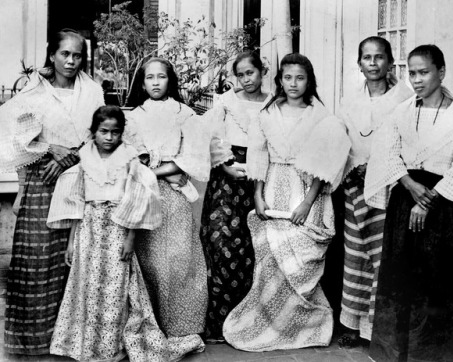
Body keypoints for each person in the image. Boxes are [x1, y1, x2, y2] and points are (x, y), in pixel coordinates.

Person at [365, 44, 453, 361]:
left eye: (424, 72)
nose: (417, 80)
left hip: (443, 207)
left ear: (441, 72)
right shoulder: (402, 113)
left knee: (441, 280)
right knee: (405, 277)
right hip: (405, 202)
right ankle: (405, 352)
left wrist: (427, 201)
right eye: (411, 73)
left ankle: (440, 354)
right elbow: (386, 153)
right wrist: (409, 185)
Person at [223, 53, 351, 352]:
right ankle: (270, 323)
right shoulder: (267, 113)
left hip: (307, 192)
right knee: (271, 257)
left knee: (301, 260)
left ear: (310, 82)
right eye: (288, 78)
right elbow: (258, 154)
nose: (294, 84)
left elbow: (323, 162)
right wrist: (257, 194)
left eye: (300, 78)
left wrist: (307, 202)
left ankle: (306, 326)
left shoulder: (321, 116)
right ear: (279, 80)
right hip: (273, 186)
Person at [0, 28, 104, 355]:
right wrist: (50, 149)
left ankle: (68, 341)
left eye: (77, 55)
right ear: (52, 55)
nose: (71, 61)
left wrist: (69, 157)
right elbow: (16, 138)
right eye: (65, 54)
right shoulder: (34, 93)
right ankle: (32, 341)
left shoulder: (93, 92)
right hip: (40, 183)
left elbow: (99, 138)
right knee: (35, 257)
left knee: (71, 260)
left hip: (78, 182)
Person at [46, 105, 171, 361]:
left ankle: (111, 346)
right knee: (87, 287)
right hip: (88, 229)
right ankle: (85, 344)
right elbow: (77, 202)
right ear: (93, 132)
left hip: (117, 227)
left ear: (121, 133)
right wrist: (72, 241)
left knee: (115, 287)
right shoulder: (84, 160)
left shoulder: (130, 161)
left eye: (115, 132)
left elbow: (136, 201)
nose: (109, 137)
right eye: (104, 131)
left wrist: (130, 237)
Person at [127, 57, 210, 360]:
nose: (156, 82)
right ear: (143, 82)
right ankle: (150, 325)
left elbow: (194, 158)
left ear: (170, 80)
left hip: (174, 196)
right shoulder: (134, 116)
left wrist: (161, 170)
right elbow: (130, 157)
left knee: (178, 258)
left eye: (161, 77)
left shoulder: (185, 114)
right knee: (148, 260)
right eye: (150, 77)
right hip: (142, 194)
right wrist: (157, 169)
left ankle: (181, 326)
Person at [336, 36, 413, 347]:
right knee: (356, 256)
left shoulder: (404, 98)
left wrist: (379, 168)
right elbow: (343, 142)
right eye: (366, 57)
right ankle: (353, 325)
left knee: (383, 256)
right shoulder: (349, 101)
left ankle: (377, 328)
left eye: (379, 57)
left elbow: (409, 143)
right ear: (359, 64)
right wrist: (353, 168)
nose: (372, 63)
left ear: (390, 62)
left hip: (389, 187)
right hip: (355, 187)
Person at [199, 51, 273, 343]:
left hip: (261, 176)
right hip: (228, 178)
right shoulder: (226, 102)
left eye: (251, 73)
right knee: (223, 242)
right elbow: (208, 135)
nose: (246, 79)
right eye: (241, 74)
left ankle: (248, 322)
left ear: (262, 71)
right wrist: (226, 163)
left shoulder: (272, 102)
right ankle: (218, 323)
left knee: (254, 248)